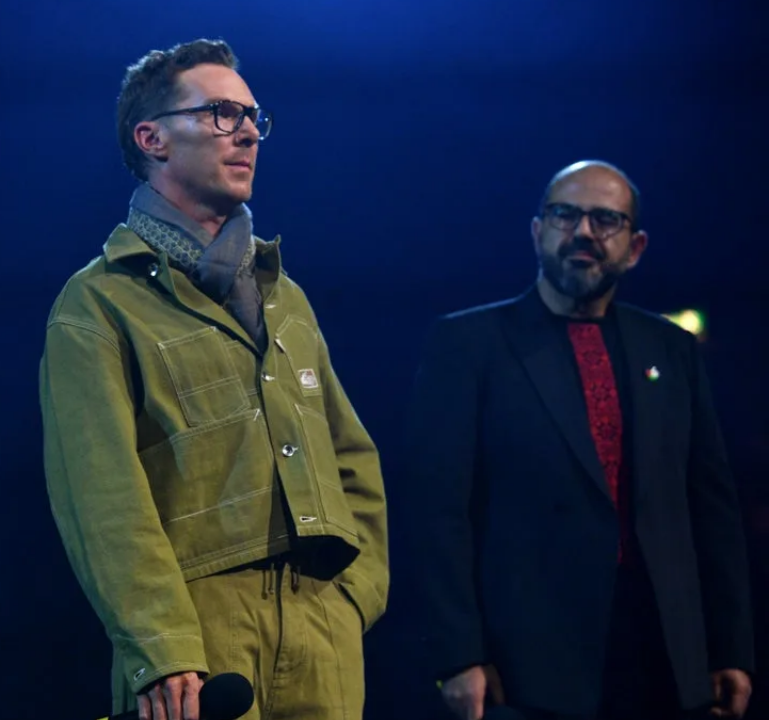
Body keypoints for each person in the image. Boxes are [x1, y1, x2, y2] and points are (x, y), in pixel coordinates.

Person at [39, 38, 388, 720]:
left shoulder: (285, 295)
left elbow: (353, 458)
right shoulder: (100, 302)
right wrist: (161, 642)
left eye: (253, 116)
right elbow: (100, 494)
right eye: (222, 113)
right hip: (198, 632)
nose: (249, 132)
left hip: (323, 624)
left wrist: (354, 600)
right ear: (153, 139)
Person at [405, 160, 755, 720]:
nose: (584, 231)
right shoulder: (468, 345)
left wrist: (730, 647)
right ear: (537, 231)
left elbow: (712, 511)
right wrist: (457, 653)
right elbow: (436, 514)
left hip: (665, 657)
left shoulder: (670, 349)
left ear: (635, 247)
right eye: (565, 215)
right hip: (525, 665)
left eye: (605, 219)